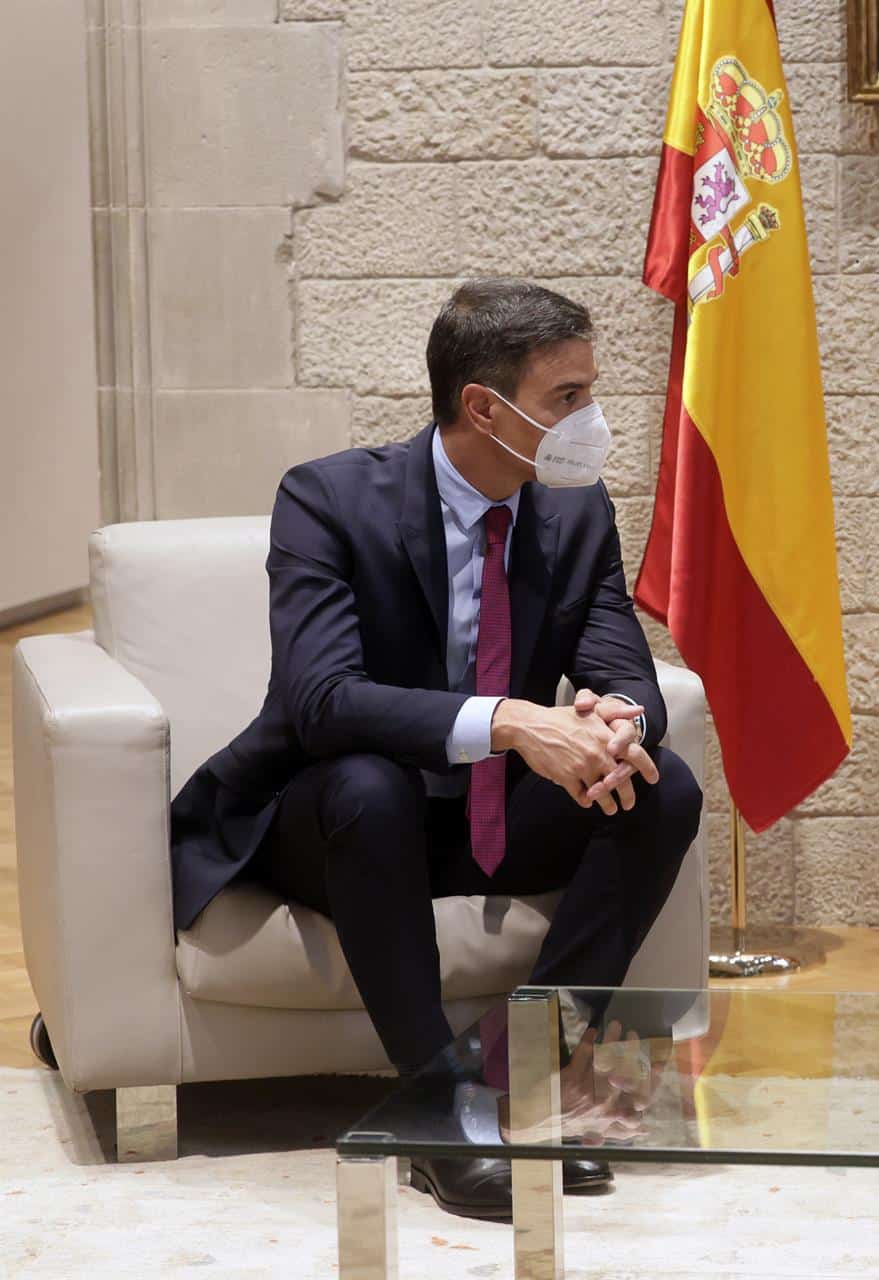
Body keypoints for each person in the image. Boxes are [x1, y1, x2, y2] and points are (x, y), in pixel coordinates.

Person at [168, 278, 703, 1220]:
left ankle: (524, 1073)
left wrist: (617, 722)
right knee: (371, 788)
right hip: (336, 821)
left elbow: (626, 667)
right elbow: (322, 700)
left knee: (659, 789)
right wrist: (510, 720)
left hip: (487, 817)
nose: (594, 421)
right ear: (483, 408)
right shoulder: (330, 499)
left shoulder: (575, 512)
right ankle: (436, 1109)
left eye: (591, 393)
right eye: (567, 399)